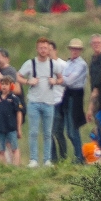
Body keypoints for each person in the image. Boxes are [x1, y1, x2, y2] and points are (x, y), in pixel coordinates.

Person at [17, 38, 66, 166]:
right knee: (33, 132)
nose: (43, 50)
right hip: (34, 102)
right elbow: (18, 76)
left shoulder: (53, 64)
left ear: (49, 49)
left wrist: (55, 81)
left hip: (49, 102)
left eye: (45, 48)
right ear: (37, 49)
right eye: (41, 48)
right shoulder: (31, 63)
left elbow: (61, 79)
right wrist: (28, 81)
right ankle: (33, 159)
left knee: (48, 133)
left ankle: (47, 159)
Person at [59, 39, 89, 163]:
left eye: (77, 49)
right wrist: (62, 78)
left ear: (80, 51)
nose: (74, 51)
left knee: (73, 128)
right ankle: (78, 155)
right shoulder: (68, 63)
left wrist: (61, 78)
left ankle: (79, 157)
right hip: (67, 94)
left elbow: (69, 80)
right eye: (73, 48)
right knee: (69, 129)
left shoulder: (81, 64)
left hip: (76, 95)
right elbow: (64, 78)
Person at [0, 79, 23, 165]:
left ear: (11, 86)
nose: (4, 86)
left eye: (6, 84)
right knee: (1, 149)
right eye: (2, 84)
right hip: (0, 128)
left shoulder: (14, 98)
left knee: (14, 148)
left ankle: (16, 167)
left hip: (11, 128)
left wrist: (19, 128)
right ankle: (3, 167)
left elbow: (19, 113)